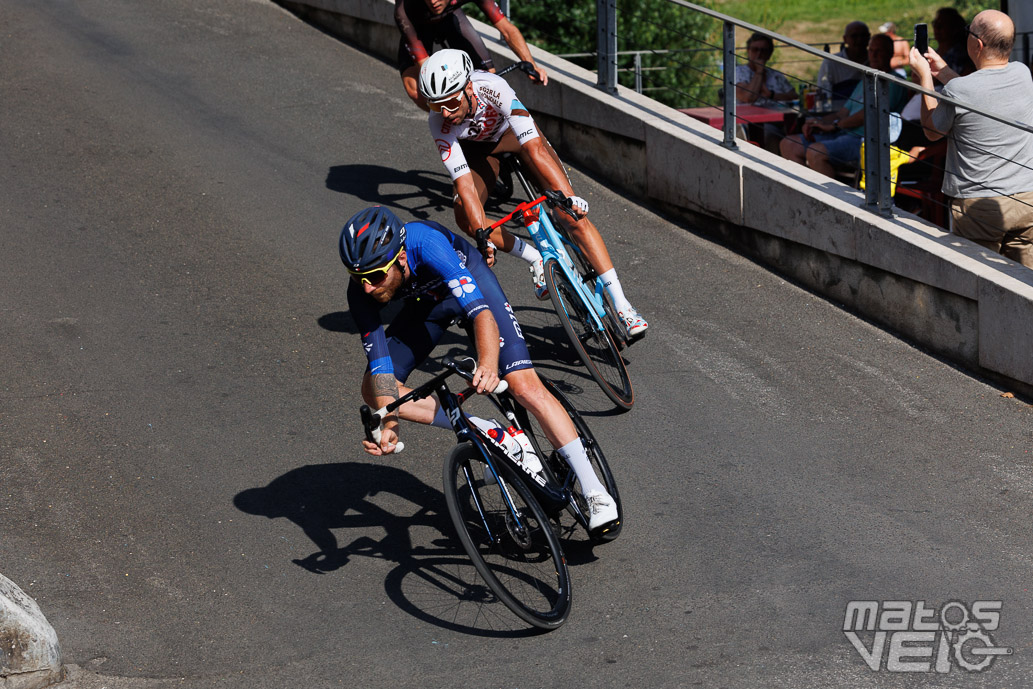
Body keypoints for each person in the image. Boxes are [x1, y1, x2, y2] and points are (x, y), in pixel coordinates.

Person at [339, 205, 620, 530]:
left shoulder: (426, 243)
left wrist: (488, 365)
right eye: (358, 279)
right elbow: (381, 370)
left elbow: (481, 314)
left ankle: (595, 490)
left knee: (522, 385)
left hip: (470, 287)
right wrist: (391, 424)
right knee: (372, 389)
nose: (367, 289)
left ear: (401, 258)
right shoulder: (362, 292)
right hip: (426, 306)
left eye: (375, 277)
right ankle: (489, 431)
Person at [416, 48, 648, 337]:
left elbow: (534, 148)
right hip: (479, 151)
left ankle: (623, 305)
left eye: (451, 102)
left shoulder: (493, 88)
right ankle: (535, 257)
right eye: (437, 106)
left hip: (515, 137)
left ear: (469, 87)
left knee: (570, 215)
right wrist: (482, 235)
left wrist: (567, 198)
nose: (446, 113)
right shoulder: (438, 121)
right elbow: (465, 184)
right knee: (465, 215)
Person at [910, 10, 1033, 268]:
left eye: (968, 31)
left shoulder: (959, 90)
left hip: (979, 206)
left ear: (977, 44)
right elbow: (979, 95)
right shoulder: (1023, 74)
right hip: (1026, 199)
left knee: (980, 281)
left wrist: (924, 79)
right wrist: (943, 71)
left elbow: (932, 130)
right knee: (1025, 284)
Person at [781, 34, 908, 179]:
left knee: (815, 152)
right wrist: (819, 122)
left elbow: (868, 115)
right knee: (788, 144)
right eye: (871, 50)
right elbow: (842, 112)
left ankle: (830, 200)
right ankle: (804, 192)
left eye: (879, 51)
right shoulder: (866, 80)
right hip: (843, 132)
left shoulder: (893, 82)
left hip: (866, 140)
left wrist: (836, 125)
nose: (873, 55)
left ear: (890, 53)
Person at [396, 0, 547, 111]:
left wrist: (532, 65)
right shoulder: (403, 10)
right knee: (415, 89)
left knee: (489, 78)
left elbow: (507, 29)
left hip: (451, 19)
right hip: (416, 28)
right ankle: (452, 127)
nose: (433, 1)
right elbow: (427, 69)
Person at [735, 33, 797, 107]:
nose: (759, 54)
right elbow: (747, 98)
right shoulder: (739, 72)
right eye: (755, 50)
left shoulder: (776, 75)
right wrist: (759, 72)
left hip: (779, 114)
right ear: (748, 51)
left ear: (769, 54)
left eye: (763, 51)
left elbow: (794, 97)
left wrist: (771, 95)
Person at [816, 21, 871, 103]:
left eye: (863, 35)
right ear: (845, 39)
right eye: (854, 36)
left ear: (869, 38)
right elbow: (823, 91)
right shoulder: (831, 62)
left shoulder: (876, 60)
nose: (859, 40)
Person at [932, 7, 975, 76]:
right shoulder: (936, 52)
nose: (936, 28)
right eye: (935, 23)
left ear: (954, 29)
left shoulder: (961, 55)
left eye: (941, 25)